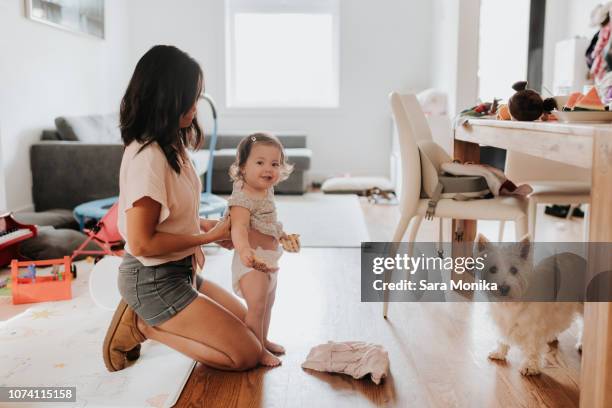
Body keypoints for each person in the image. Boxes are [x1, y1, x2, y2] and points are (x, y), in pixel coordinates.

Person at [102, 45, 262, 372]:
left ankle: (152, 317)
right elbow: (143, 242)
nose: (196, 103)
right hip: (152, 279)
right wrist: (207, 238)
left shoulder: (173, 143)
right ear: (166, 98)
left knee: (251, 324)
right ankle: (144, 326)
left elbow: (174, 219)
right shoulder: (147, 158)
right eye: (192, 95)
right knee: (246, 354)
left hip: (181, 271)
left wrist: (214, 228)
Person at [223, 133, 293, 366]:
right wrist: (245, 251)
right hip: (251, 261)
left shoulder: (266, 191)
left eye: (275, 164)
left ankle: (262, 340)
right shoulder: (241, 197)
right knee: (257, 306)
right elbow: (239, 230)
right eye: (260, 162)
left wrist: (282, 235)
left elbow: (269, 222)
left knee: (268, 303)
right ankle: (255, 350)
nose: (268, 169)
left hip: (270, 259)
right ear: (242, 167)